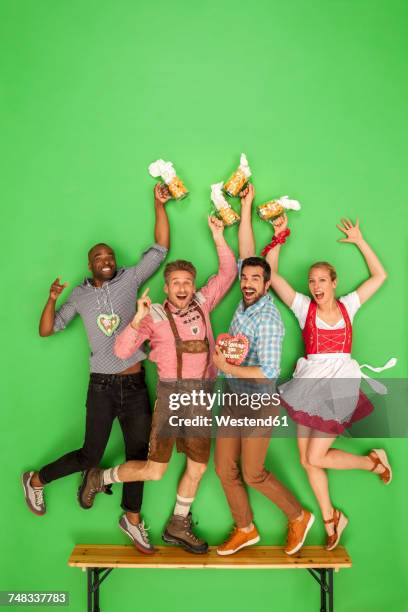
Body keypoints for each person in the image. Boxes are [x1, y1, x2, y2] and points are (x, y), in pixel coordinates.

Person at [22, 184, 171, 554]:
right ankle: (36, 479)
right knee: (91, 454)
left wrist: (157, 203)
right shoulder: (79, 294)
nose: (106, 258)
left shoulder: (130, 279)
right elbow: (48, 329)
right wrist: (52, 298)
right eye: (98, 256)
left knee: (139, 455)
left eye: (109, 254)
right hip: (102, 386)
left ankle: (131, 519)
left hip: (136, 384)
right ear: (90, 265)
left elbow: (161, 248)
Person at [78, 216, 237, 554]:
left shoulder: (204, 304)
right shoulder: (153, 316)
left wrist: (218, 235)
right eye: (176, 282)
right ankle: (99, 478)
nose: (182, 288)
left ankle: (178, 523)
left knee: (198, 466)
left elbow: (227, 274)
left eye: (187, 282)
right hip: (171, 398)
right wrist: (136, 320)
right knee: (154, 471)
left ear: (194, 286)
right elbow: (121, 351)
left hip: (201, 397)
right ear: (167, 287)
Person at [265, 214, 394, 551]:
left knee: (317, 457)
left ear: (334, 282)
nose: (316, 286)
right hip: (309, 383)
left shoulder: (348, 305)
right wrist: (278, 237)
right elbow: (273, 276)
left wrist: (360, 241)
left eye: (322, 280)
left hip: (339, 383)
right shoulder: (303, 308)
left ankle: (372, 462)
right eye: (312, 281)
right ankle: (330, 518)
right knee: (307, 460)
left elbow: (380, 275)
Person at [212, 185, 314, 556]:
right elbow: (246, 253)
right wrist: (247, 203)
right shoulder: (246, 296)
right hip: (234, 399)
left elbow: (268, 371)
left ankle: (298, 515)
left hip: (258, 403)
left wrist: (225, 365)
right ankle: (245, 528)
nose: (248, 282)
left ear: (267, 284)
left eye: (256, 279)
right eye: (245, 278)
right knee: (225, 468)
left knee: (253, 473)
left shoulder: (269, 318)